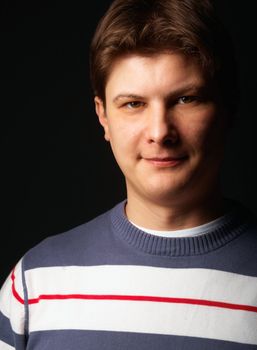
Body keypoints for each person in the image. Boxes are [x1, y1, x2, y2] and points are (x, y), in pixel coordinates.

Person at [1, 0, 257, 349]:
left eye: (185, 99)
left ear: (227, 107)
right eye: (133, 104)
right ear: (103, 116)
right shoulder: (35, 283)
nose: (159, 132)